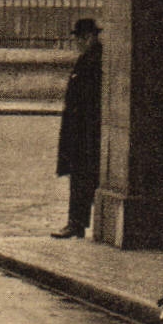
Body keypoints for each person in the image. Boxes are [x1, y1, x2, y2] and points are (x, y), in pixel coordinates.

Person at [54, 18, 104, 238]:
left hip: (86, 131)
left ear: (89, 37)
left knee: (82, 177)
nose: (77, 43)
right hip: (80, 129)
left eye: (79, 39)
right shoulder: (88, 58)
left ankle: (76, 223)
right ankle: (76, 223)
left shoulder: (95, 60)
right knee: (80, 177)